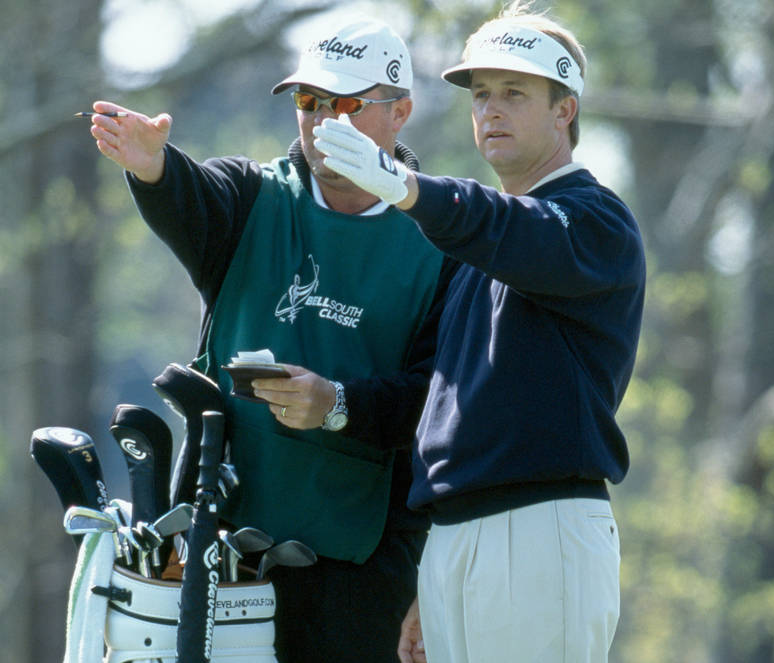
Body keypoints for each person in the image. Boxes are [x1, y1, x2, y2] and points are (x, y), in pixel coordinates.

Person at [87, 18, 455, 663]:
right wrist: (154, 169)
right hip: (220, 539)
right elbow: (193, 196)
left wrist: (337, 404)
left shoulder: (445, 240)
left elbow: (439, 401)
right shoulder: (254, 195)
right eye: (308, 102)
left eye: (344, 104)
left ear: (400, 113)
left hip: (362, 563)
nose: (319, 121)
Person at [313, 4, 646, 662]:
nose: (491, 110)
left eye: (515, 93)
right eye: (483, 95)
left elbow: (509, 228)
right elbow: (440, 408)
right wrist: (429, 573)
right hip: (454, 540)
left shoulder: (595, 223)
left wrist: (405, 187)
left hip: (541, 530)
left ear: (564, 111)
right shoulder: (474, 250)